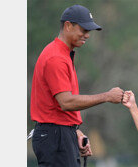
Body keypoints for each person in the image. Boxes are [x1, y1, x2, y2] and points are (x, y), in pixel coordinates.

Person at [30, 5, 124, 167]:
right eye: (83, 30)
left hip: (59, 134)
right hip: (55, 136)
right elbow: (66, 102)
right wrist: (107, 96)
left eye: (89, 31)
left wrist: (74, 132)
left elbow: (58, 108)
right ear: (68, 26)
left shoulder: (63, 55)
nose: (87, 35)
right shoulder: (56, 57)